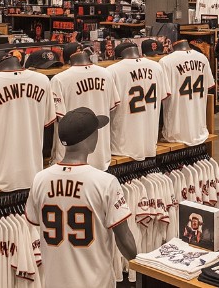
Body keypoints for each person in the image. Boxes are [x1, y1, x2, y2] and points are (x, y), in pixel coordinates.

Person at [26, 107, 137, 288]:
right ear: (89, 139)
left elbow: (35, 221)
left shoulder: (40, 179)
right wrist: (144, 266)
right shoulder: (106, 182)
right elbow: (124, 240)